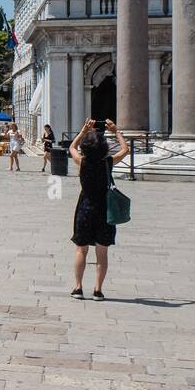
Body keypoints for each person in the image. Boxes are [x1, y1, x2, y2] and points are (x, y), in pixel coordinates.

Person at [67, 118, 130, 300]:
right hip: (105, 210)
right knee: (102, 252)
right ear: (103, 148)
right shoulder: (108, 163)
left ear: (86, 147)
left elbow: (72, 147)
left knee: (81, 250)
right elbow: (126, 150)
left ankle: (78, 288)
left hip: (85, 208)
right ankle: (98, 290)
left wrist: (83, 131)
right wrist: (116, 131)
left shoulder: (82, 161)